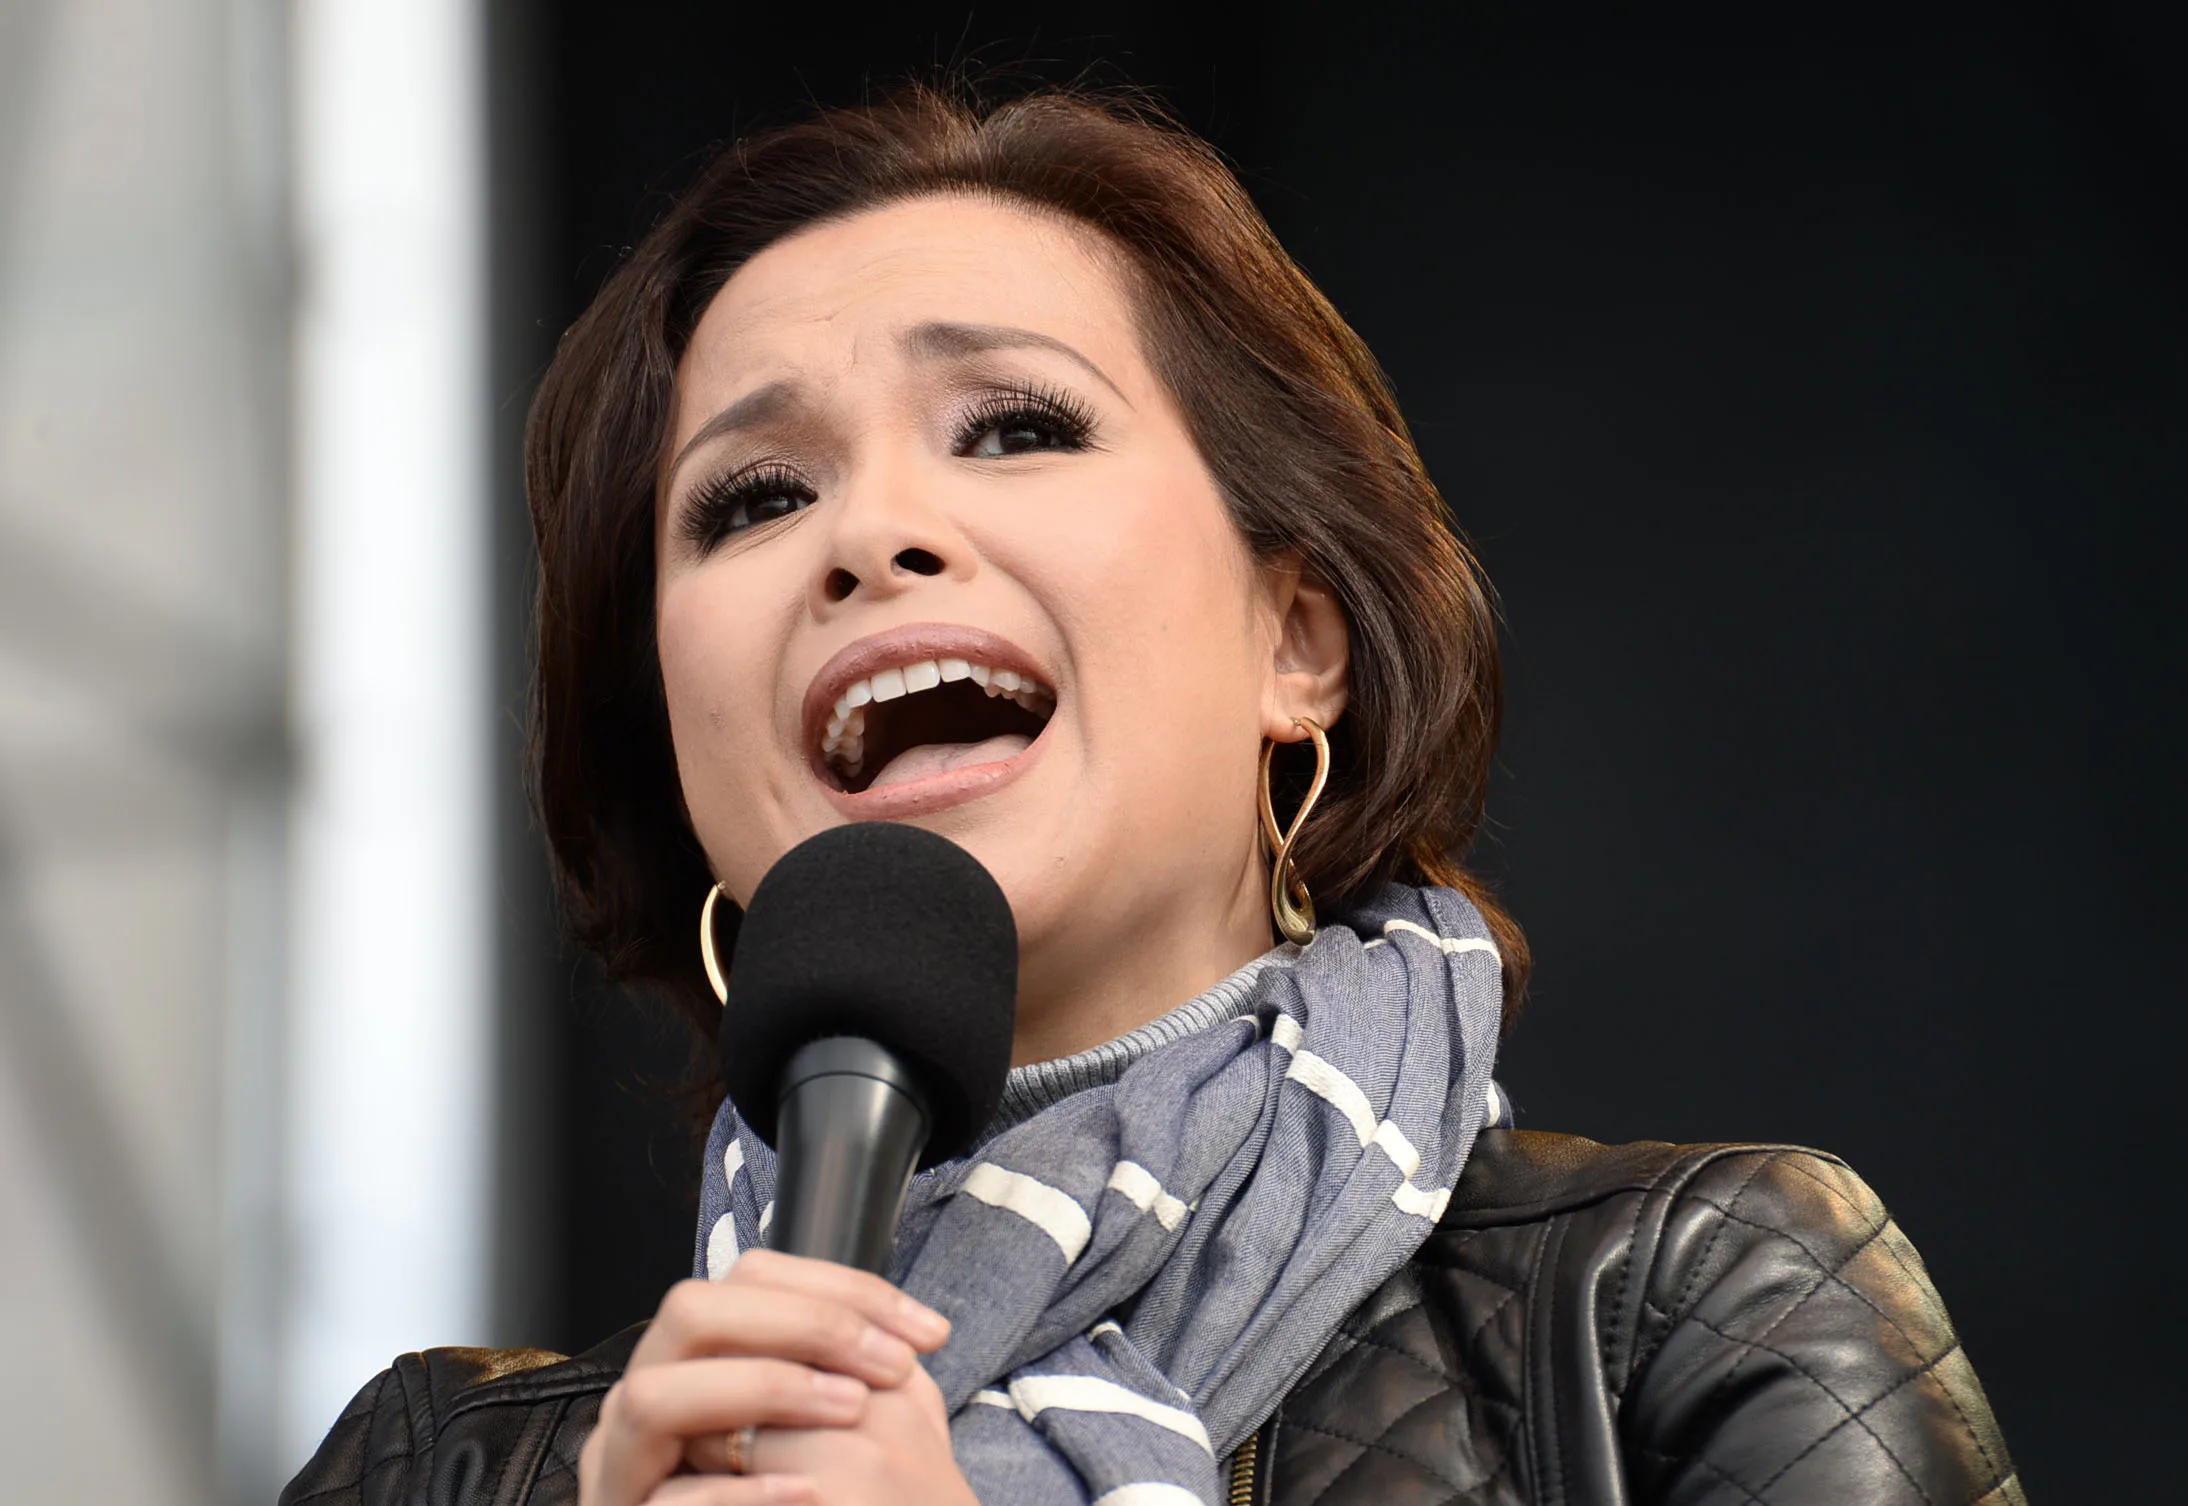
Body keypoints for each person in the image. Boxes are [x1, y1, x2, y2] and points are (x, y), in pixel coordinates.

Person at [283, 83, 2023, 1506]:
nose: (868, 534)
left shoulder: (1682, 1317)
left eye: (1014, 426)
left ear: (1298, 642)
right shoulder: (439, 1471)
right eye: (752, 498)